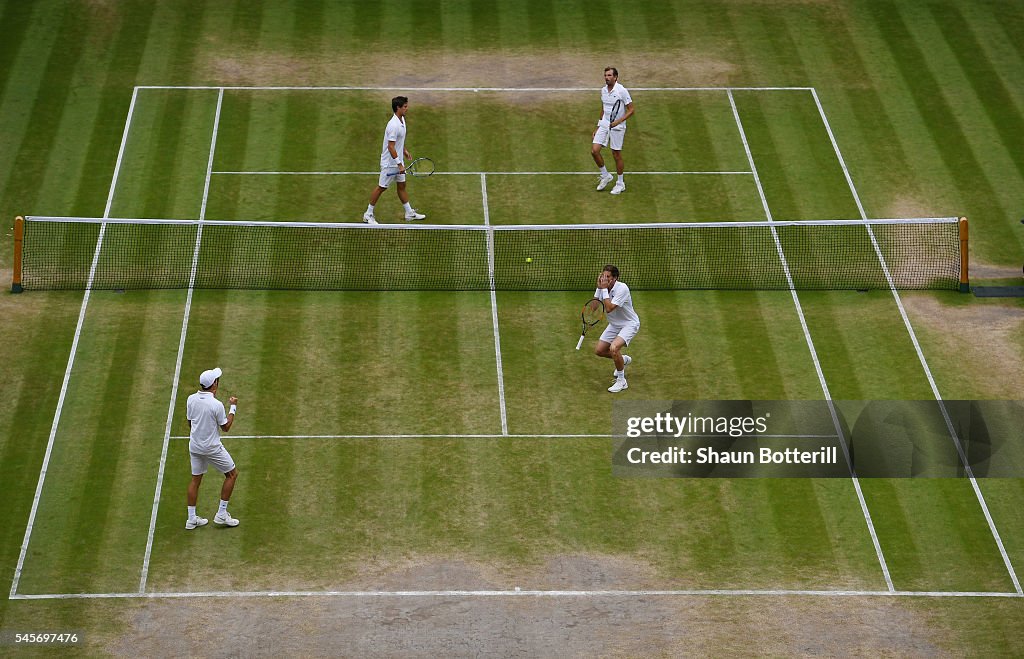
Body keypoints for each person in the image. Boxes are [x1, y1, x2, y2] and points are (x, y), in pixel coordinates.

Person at [185, 368, 240, 529]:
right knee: (231, 474)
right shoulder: (216, 405)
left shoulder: (190, 399)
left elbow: (190, 423)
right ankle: (221, 514)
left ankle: (191, 519)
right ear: (214, 384)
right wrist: (233, 407)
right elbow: (226, 427)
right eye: (217, 379)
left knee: (195, 481)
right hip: (212, 448)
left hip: (194, 446)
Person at [363, 96, 426, 224]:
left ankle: (409, 213)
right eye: (405, 107)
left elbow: (397, 142)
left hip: (398, 160)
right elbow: (390, 146)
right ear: (398, 107)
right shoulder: (393, 125)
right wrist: (399, 164)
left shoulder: (402, 119)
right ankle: (368, 214)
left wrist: (404, 150)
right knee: (381, 187)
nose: (407, 109)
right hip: (390, 164)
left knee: (402, 186)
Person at [594, 265, 640, 393]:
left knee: (614, 348)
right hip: (614, 324)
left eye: (608, 277)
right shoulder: (603, 287)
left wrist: (603, 290)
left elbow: (609, 308)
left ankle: (622, 381)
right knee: (599, 351)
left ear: (615, 278)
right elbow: (593, 307)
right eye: (603, 276)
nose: (605, 279)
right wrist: (599, 289)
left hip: (629, 324)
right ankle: (623, 359)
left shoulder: (622, 288)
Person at [591, 67, 635, 195]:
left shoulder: (622, 91)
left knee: (616, 154)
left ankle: (620, 183)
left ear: (615, 77)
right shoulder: (603, 90)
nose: (606, 77)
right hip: (604, 124)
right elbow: (604, 108)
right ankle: (606, 175)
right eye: (605, 75)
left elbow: (631, 109)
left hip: (617, 126)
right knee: (594, 151)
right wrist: (598, 126)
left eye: (609, 75)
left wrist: (618, 121)